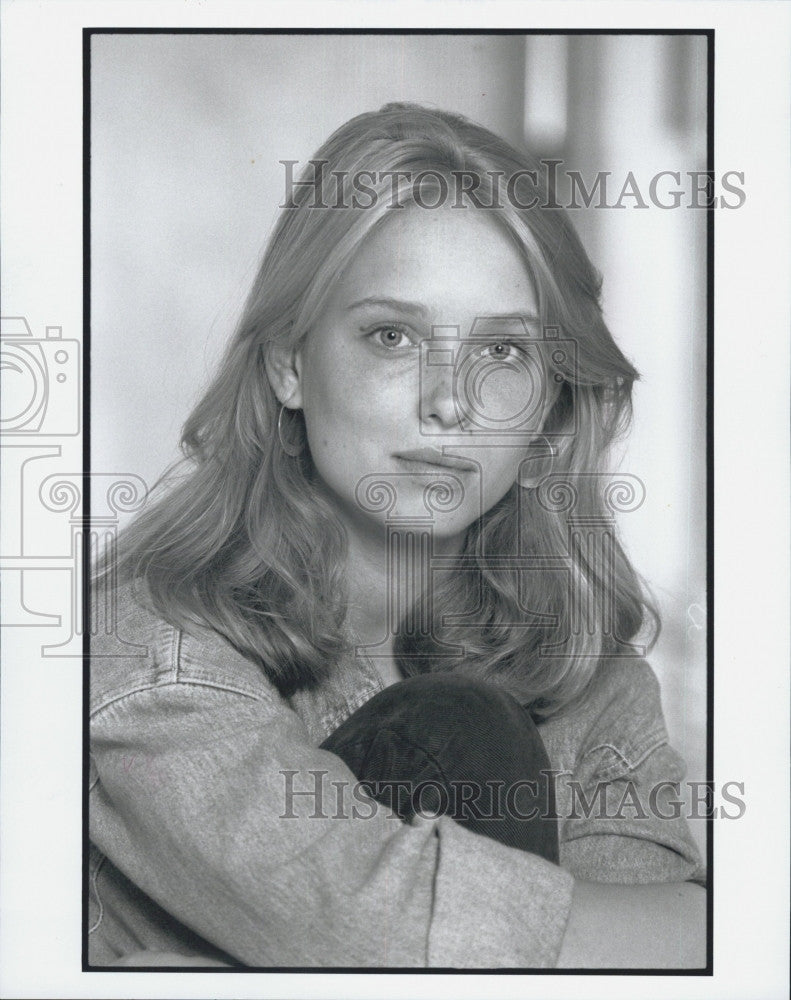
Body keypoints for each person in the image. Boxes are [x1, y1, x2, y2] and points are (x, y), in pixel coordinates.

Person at [89, 103, 706, 969]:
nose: (449, 402)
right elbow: (364, 919)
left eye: (502, 352)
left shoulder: (589, 678)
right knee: (460, 728)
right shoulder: (154, 653)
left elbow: (696, 961)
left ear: (549, 402)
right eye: (393, 336)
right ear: (289, 364)